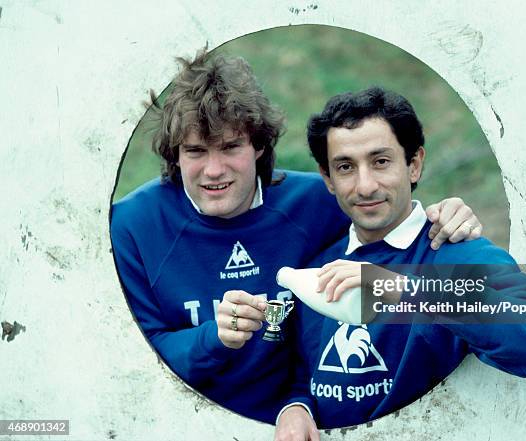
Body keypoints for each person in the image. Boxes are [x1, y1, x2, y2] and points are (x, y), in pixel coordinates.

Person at [110, 50, 483, 425]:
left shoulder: (317, 202)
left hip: (299, 422)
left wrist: (446, 215)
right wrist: (212, 337)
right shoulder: (133, 223)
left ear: (258, 145)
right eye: (195, 151)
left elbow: (388, 217)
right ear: (175, 154)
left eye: (230, 147)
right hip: (178, 421)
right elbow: (136, 356)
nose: (213, 170)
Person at [274, 86, 526, 438]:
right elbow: (302, 370)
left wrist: (403, 290)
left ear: (414, 164)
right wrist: (295, 406)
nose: (365, 186)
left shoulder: (459, 252)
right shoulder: (320, 266)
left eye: (381, 162)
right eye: (346, 167)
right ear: (328, 179)